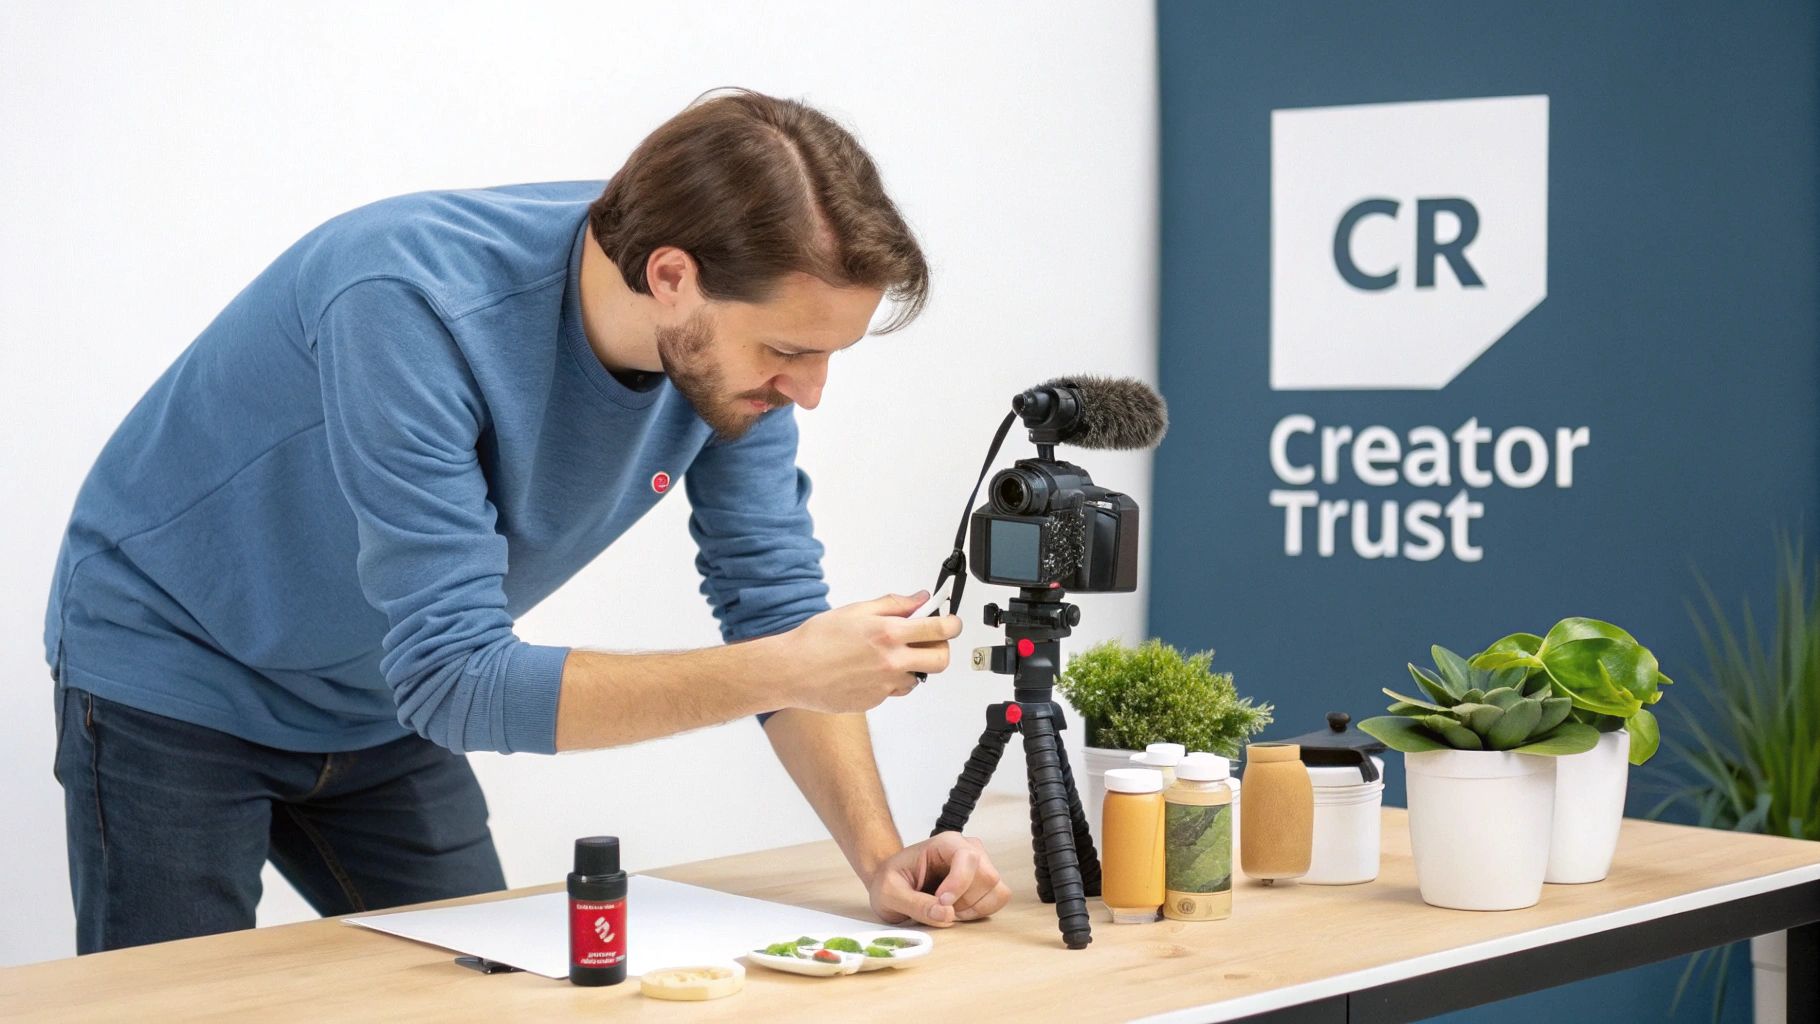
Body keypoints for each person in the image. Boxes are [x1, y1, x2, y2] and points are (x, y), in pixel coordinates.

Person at [44, 88, 1010, 953]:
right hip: (175, 671)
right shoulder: (406, 301)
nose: (809, 392)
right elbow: (459, 682)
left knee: (488, 990)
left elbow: (775, 604)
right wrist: (789, 666)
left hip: (377, 690)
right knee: (169, 1004)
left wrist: (882, 861)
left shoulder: (733, 367)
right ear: (670, 276)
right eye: (789, 350)